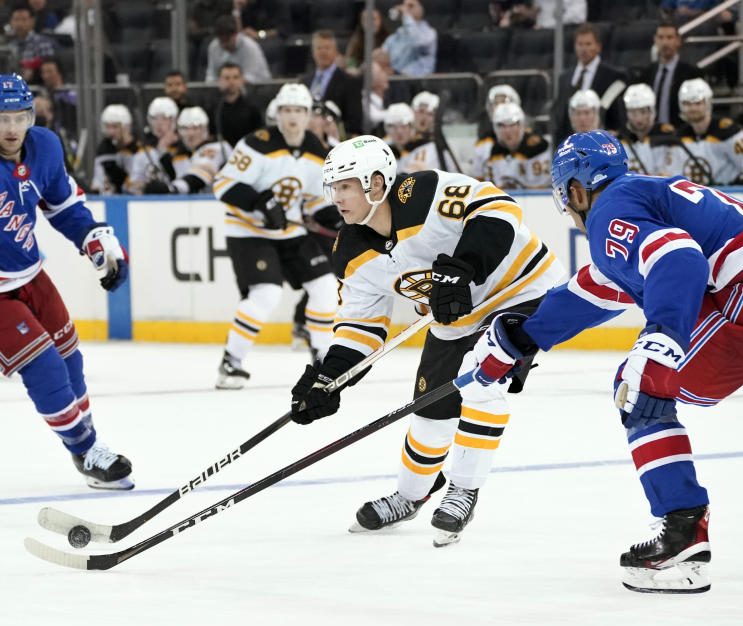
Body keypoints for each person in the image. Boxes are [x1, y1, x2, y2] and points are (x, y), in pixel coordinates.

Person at [465, 128, 743, 593]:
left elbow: (678, 260)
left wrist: (662, 340)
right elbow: (594, 289)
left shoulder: (607, 210)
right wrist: (519, 338)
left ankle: (681, 535)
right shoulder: (647, 196)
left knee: (640, 387)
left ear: (577, 190)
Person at [292, 135, 565, 547]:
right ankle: (411, 495)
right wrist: (330, 378)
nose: (337, 198)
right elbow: (360, 328)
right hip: (454, 318)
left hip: (524, 292)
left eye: (346, 185)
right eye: (334, 187)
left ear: (377, 183)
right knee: (430, 410)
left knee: (481, 376)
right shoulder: (349, 251)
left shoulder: (423, 193)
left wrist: (463, 267)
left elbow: (499, 208)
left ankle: (464, 488)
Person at [0, 74, 133, 490]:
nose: (11, 128)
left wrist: (92, 237)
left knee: (71, 359)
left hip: (31, 274)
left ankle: (88, 444)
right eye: (1, 118)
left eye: (19, 116)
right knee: (46, 367)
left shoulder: (46, 146)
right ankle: (87, 449)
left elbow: (63, 205)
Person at [212, 83, 338, 388]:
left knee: (324, 285)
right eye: (286, 110)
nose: (292, 117)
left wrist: (339, 220)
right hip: (248, 231)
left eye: (298, 111)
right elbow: (223, 185)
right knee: (266, 294)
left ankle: (322, 359)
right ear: (277, 114)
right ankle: (232, 362)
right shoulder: (258, 143)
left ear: (308, 115)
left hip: (290, 231)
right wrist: (259, 202)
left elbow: (317, 202)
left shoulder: (317, 151)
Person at [659, 78, 743, 186]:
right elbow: (669, 175)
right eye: (687, 104)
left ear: (708, 103)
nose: (692, 108)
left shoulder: (730, 133)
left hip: (725, 197)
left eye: (697, 103)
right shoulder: (678, 137)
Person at [553, 23, 627, 141]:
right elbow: (561, 116)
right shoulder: (564, 77)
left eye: (588, 44)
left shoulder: (613, 76)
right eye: (580, 44)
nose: (584, 49)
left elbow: (617, 117)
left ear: (598, 47)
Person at [144, 107, 231, 195]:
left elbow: (196, 179)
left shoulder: (217, 147)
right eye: (185, 128)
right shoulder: (184, 154)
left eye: (195, 128)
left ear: (205, 129)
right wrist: (162, 152)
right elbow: (179, 177)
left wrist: (171, 189)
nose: (190, 134)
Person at [300, 30, 364, 137]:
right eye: (319, 48)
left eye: (327, 48)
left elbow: (355, 123)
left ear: (336, 52)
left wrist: (330, 127)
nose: (323, 52)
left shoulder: (350, 83)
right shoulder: (303, 82)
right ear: (313, 52)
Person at [642, 20, 701, 127]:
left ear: (678, 40)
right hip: (652, 133)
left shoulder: (691, 73)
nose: (665, 43)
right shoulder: (647, 72)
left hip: (680, 131)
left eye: (669, 37)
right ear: (655, 40)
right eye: (661, 37)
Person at [484, 102, 551, 190]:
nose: (507, 131)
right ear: (495, 128)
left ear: (521, 125)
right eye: (502, 125)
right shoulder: (495, 150)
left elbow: (540, 192)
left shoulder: (536, 148)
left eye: (512, 125)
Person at [617, 83, 677, 176]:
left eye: (643, 112)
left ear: (652, 111)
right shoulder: (620, 139)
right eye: (633, 113)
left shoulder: (667, 136)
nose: (638, 119)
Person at [396, 91, 460, 173]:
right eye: (421, 111)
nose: (424, 117)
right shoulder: (397, 140)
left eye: (430, 114)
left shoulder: (438, 145)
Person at [129, 97, 180, 195]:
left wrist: (163, 151)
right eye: (154, 118)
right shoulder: (143, 151)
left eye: (164, 118)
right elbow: (134, 187)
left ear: (174, 120)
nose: (159, 123)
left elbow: (183, 182)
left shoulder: (183, 149)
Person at [472, 84, 521, 180]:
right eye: (495, 103)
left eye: (504, 102)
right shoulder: (482, 144)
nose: (499, 107)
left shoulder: (532, 140)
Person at [204, 14, 271, 84]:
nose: (224, 44)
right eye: (221, 41)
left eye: (227, 40)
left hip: (257, 88)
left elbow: (250, 77)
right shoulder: (214, 46)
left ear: (236, 34)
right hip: (223, 89)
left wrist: (228, 83)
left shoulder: (250, 47)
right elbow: (211, 76)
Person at [91, 104, 141, 195]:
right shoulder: (104, 149)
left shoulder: (137, 149)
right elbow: (98, 182)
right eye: (107, 127)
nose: (110, 132)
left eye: (115, 127)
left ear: (127, 127)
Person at [213, 62, 265, 147]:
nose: (231, 81)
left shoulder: (252, 108)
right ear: (219, 81)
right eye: (226, 78)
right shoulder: (213, 109)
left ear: (241, 80)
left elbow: (260, 134)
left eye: (235, 77)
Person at [382, 0, 437, 77]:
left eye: (410, 6)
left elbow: (417, 42)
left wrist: (407, 17)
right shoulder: (394, 37)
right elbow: (382, 57)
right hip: (396, 81)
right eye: (404, 5)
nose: (406, 9)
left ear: (421, 9)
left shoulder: (429, 33)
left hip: (419, 82)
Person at [7, 5, 58, 83]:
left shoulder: (42, 43)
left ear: (32, 22)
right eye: (16, 20)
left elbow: (49, 72)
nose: (19, 24)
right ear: (11, 22)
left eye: (24, 20)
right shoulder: (9, 46)